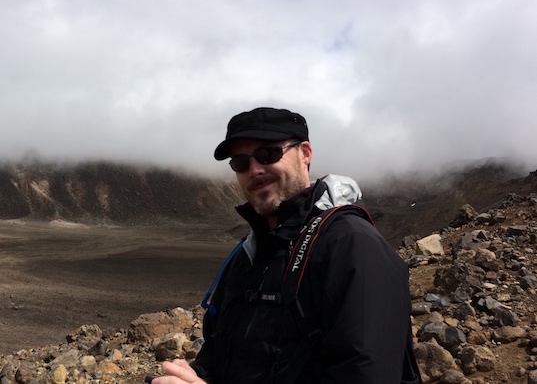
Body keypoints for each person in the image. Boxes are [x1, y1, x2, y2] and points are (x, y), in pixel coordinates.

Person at [152, 107, 420, 383]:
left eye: (269, 154)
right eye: (241, 163)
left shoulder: (352, 245)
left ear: (305, 153)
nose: (254, 170)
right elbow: (225, 355)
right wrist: (195, 375)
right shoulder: (248, 255)